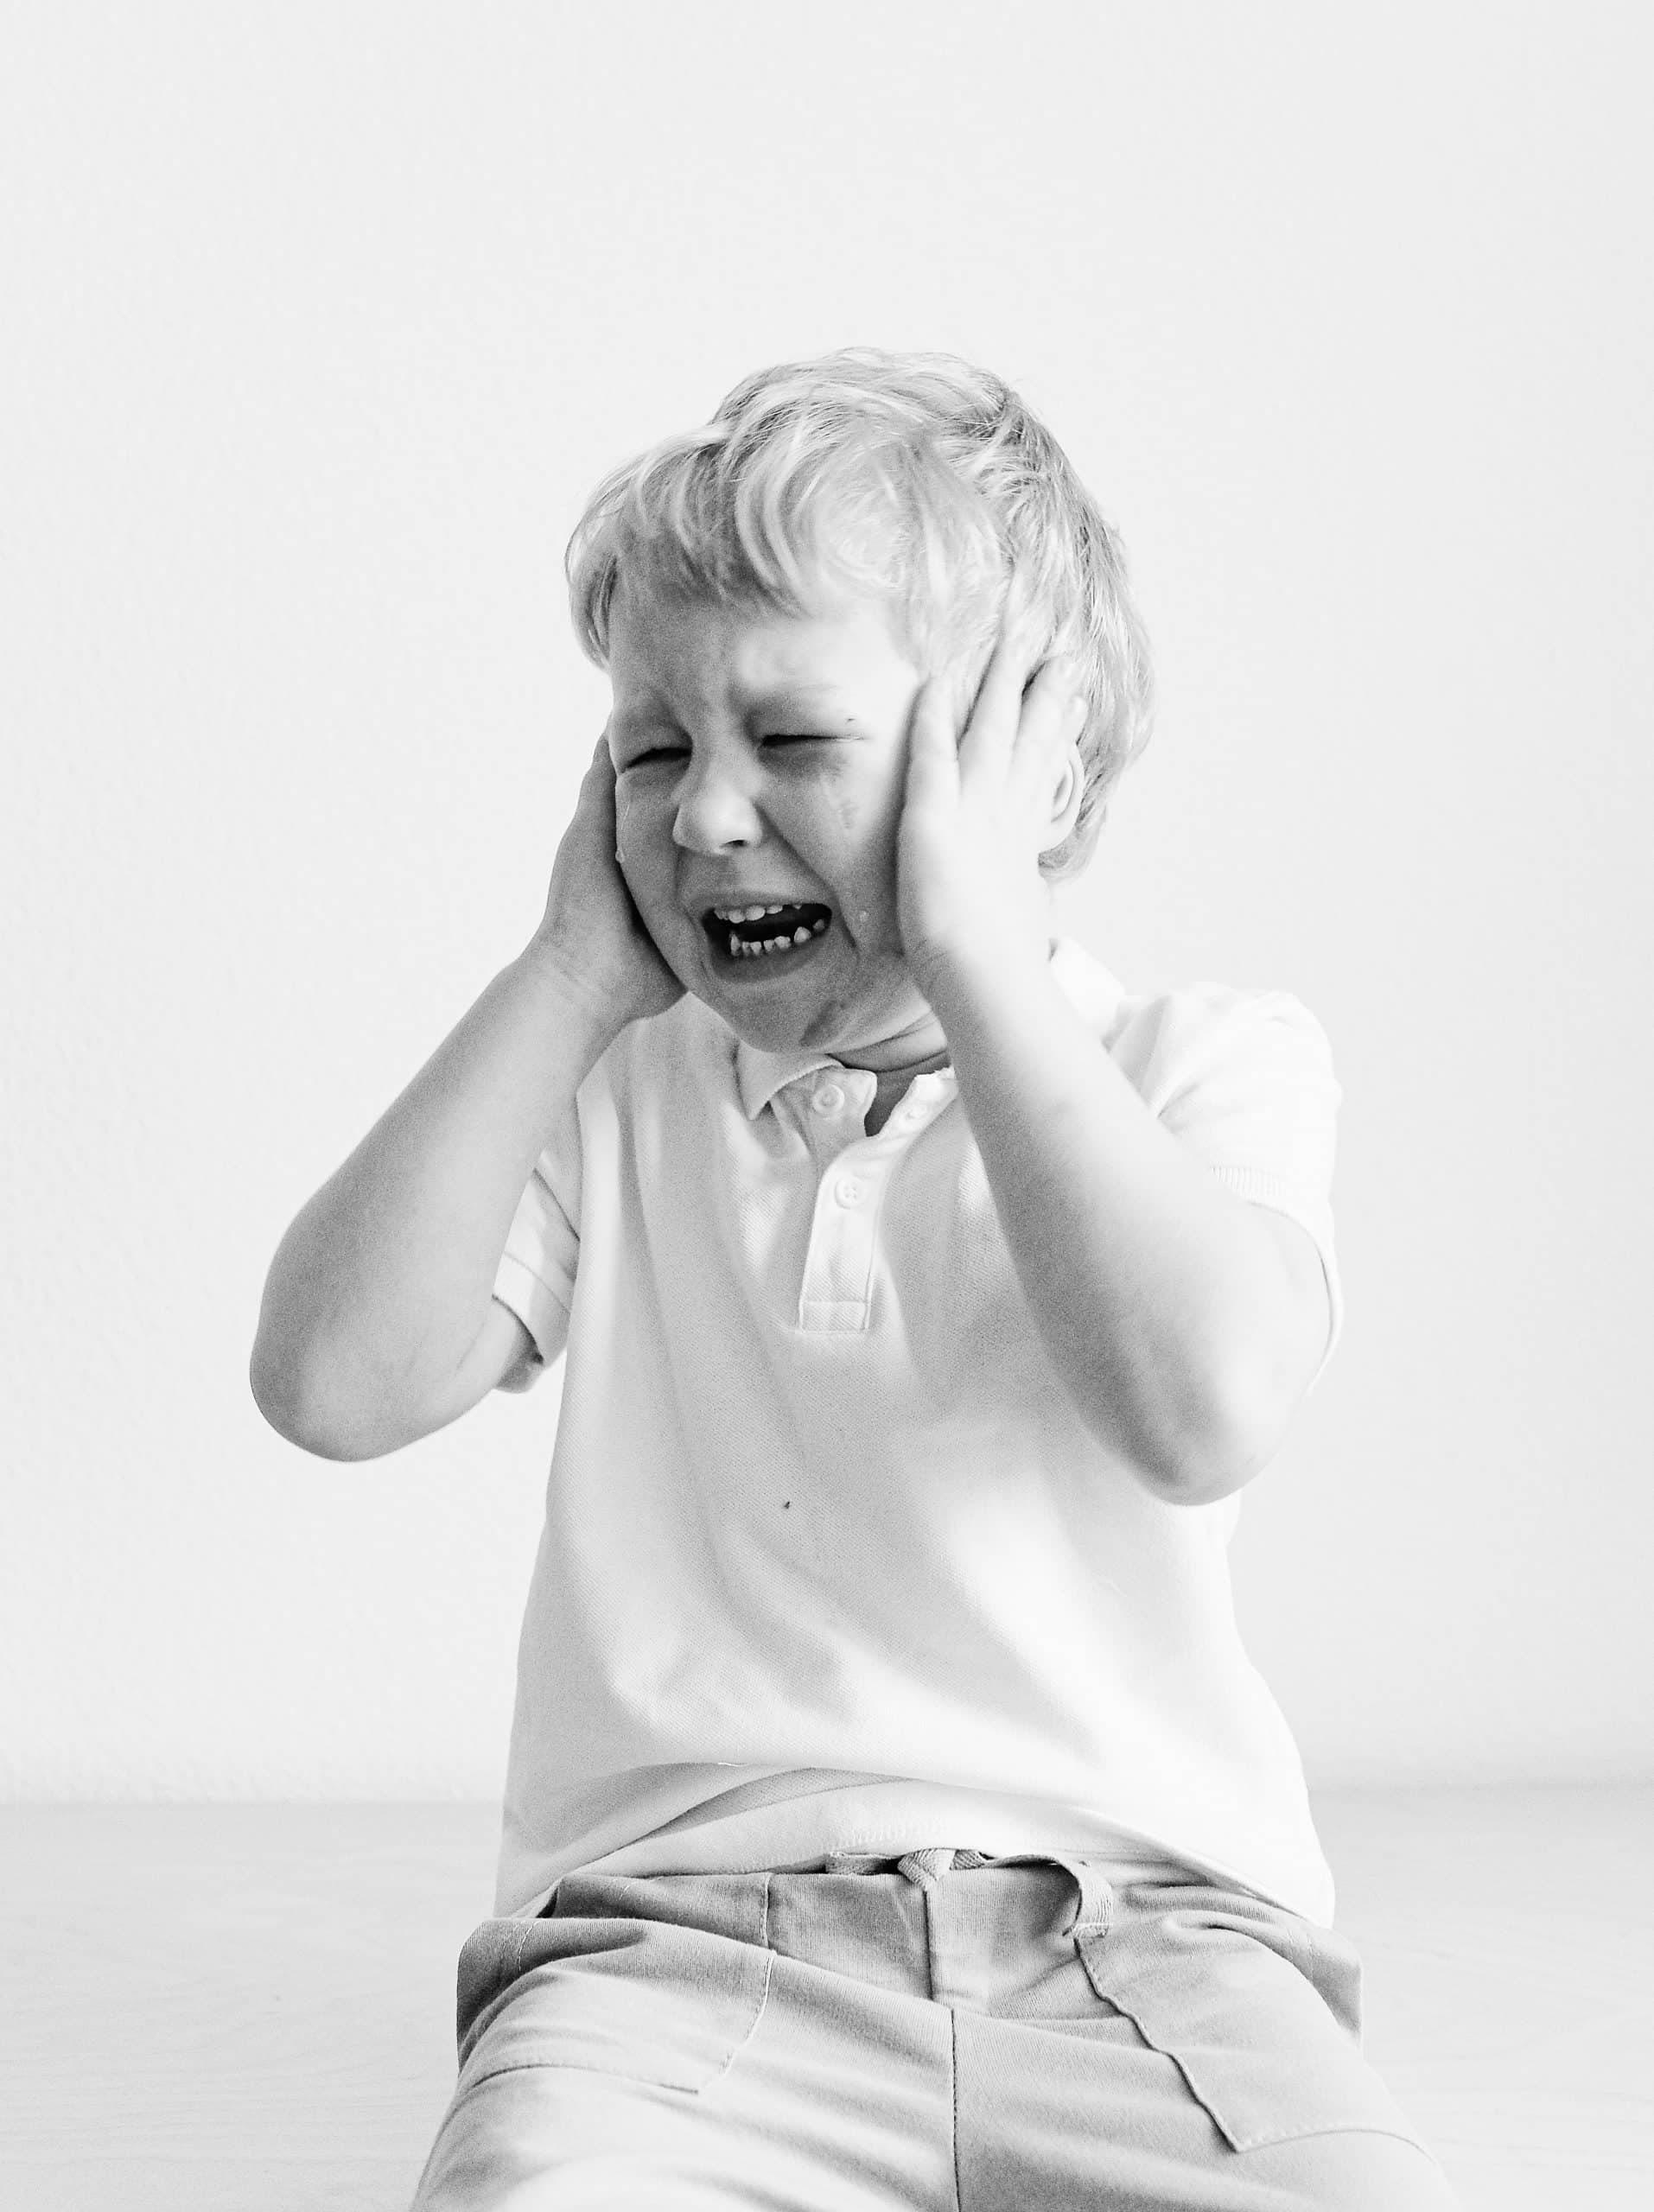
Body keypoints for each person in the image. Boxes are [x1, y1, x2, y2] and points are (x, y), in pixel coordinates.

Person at [251, 350, 1458, 2209]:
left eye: (792, 741)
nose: (708, 815)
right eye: (653, 750)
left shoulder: (1198, 1066)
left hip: (1151, 1950)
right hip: (670, 1951)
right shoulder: (617, 1094)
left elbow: (1201, 1404)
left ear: (1033, 766)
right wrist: (568, 975)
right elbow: (331, 1381)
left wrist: (973, 950)